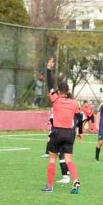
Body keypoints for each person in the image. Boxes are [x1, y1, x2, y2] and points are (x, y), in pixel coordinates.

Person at [42, 62, 81, 194]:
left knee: (52, 159)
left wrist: (48, 70)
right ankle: (75, 180)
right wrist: (80, 132)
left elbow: (49, 85)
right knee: (69, 159)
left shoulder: (55, 99)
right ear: (68, 91)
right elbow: (79, 118)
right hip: (69, 133)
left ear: (59, 92)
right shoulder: (75, 103)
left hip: (57, 132)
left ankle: (49, 186)